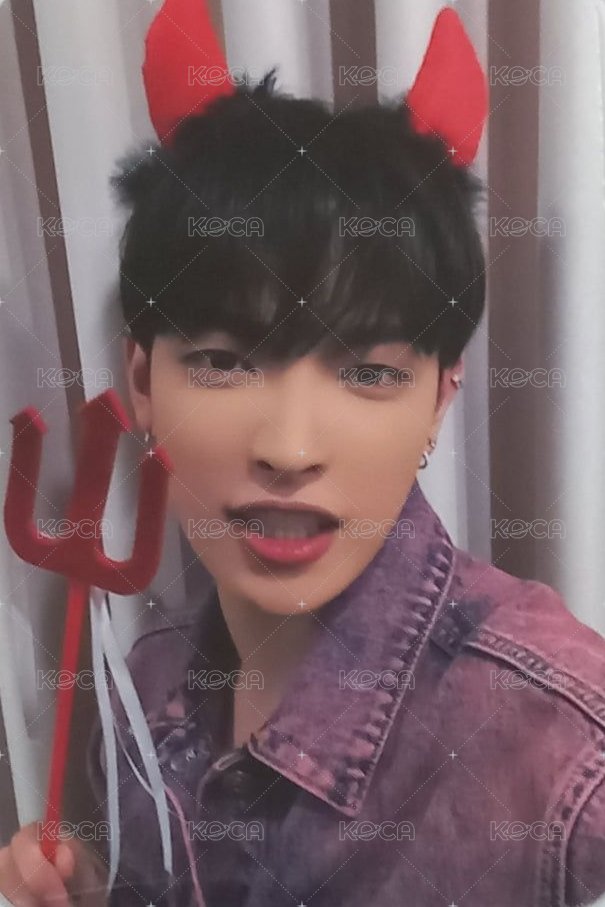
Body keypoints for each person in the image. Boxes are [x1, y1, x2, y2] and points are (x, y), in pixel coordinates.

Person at [3, 5, 605, 907]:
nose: (288, 448)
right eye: (223, 362)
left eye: (367, 372)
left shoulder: (561, 751)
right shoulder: (148, 687)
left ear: (439, 398)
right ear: (142, 380)